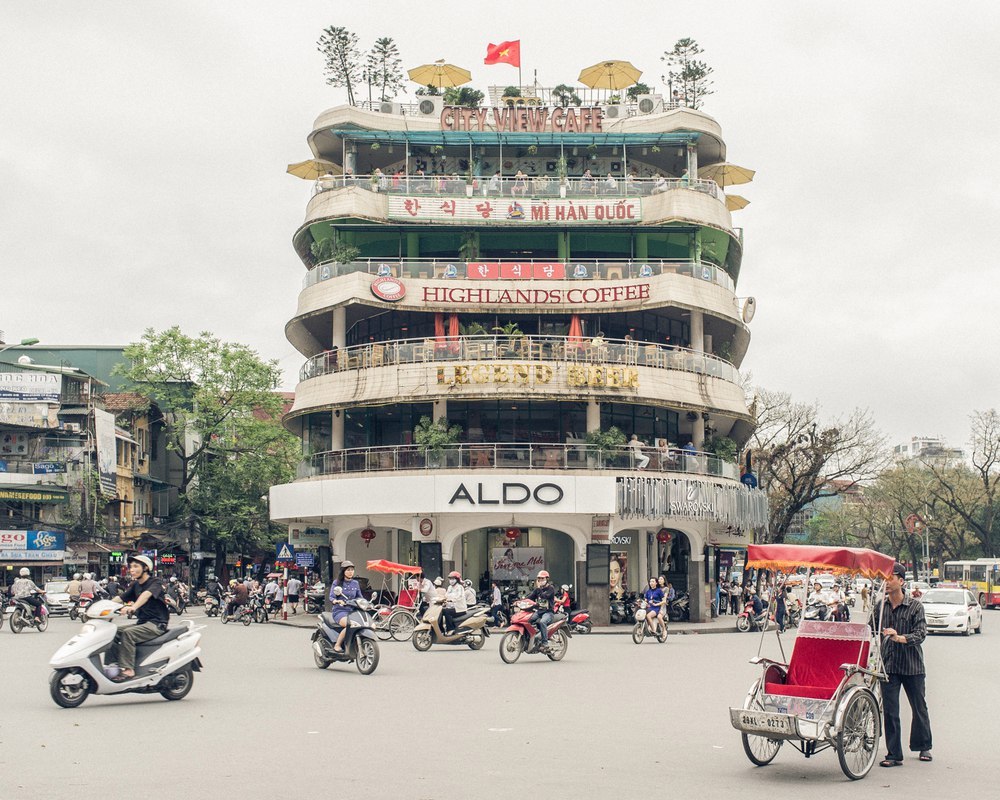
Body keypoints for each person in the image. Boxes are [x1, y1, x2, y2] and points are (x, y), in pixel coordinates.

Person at [875, 562, 933, 767]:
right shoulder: (880, 606)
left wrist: (899, 637)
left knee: (919, 707)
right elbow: (870, 628)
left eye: (890, 578)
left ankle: (923, 745)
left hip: (912, 666)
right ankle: (893, 754)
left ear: (901, 581)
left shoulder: (915, 606)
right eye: (884, 579)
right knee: (890, 711)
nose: (886, 583)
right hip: (888, 665)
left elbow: (921, 634)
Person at [106, 555, 170, 680]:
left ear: (145, 568)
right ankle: (112, 666)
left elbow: (146, 595)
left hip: (156, 624)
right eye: (130, 567)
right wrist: (104, 608)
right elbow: (120, 598)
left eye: (136, 566)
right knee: (111, 633)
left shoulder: (155, 582)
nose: (131, 570)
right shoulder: (135, 585)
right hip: (142, 623)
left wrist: (133, 607)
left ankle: (129, 670)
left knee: (128, 633)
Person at [329, 561, 365, 653]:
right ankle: (337, 645)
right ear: (343, 571)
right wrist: (336, 601)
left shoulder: (355, 583)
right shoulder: (337, 583)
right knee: (350, 624)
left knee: (363, 624)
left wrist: (365, 603)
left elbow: (359, 597)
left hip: (352, 611)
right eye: (348, 570)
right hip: (340, 611)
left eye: (352, 570)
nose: (350, 572)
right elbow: (331, 596)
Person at [526, 570, 556, 650]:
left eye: (542, 579)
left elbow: (544, 596)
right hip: (539, 611)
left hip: (548, 612)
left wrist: (539, 588)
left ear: (547, 579)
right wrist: (521, 601)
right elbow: (530, 597)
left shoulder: (551, 588)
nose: (541, 581)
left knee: (542, 622)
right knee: (527, 620)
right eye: (539, 579)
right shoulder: (537, 590)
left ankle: (545, 643)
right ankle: (530, 638)